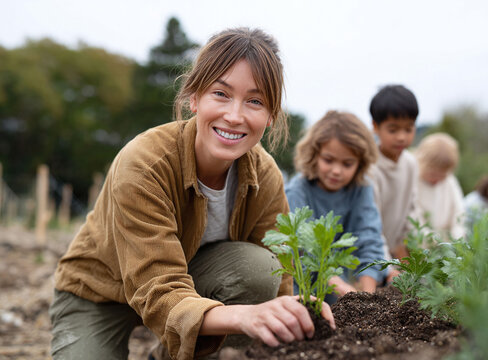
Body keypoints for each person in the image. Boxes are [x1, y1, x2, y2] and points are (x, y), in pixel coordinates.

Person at [49, 28, 335, 360]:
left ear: (270, 116)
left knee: (259, 270)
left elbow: (280, 271)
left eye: (255, 101)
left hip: (192, 284)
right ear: (194, 97)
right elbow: (156, 289)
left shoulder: (265, 175)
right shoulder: (145, 162)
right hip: (100, 292)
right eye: (221, 93)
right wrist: (244, 316)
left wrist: (292, 315)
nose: (235, 115)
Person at [285, 110, 387, 302]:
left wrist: (367, 299)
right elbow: (303, 251)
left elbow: (370, 240)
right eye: (328, 160)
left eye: (347, 164)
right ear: (314, 155)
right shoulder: (297, 191)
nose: (336, 171)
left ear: (361, 163)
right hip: (300, 293)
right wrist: (340, 286)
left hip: (339, 294)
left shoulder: (361, 189)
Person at [367, 84, 419, 260]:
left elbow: (411, 213)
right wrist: (385, 264)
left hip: (394, 255)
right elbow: (370, 224)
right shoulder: (370, 167)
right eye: (393, 129)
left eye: (408, 129)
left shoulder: (411, 163)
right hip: (369, 254)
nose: (402, 137)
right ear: (375, 126)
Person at [414, 132, 465, 241]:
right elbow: (413, 221)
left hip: (446, 245)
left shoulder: (450, 182)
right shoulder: (412, 181)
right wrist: (434, 241)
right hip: (420, 244)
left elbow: (459, 214)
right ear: (420, 162)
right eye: (432, 174)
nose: (436, 179)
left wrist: (457, 238)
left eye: (442, 175)